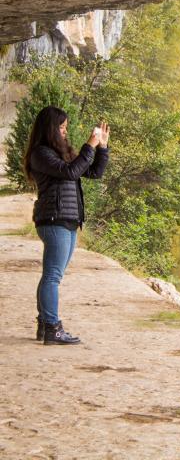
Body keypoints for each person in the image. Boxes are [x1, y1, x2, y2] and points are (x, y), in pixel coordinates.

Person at [23, 106, 110, 345]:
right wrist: (89, 145)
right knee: (53, 276)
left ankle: (45, 325)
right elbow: (71, 172)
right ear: (50, 129)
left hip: (67, 220)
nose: (65, 131)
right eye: (61, 127)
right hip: (53, 220)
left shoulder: (61, 152)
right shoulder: (41, 154)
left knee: (52, 275)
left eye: (66, 127)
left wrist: (101, 147)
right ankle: (52, 328)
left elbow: (93, 172)